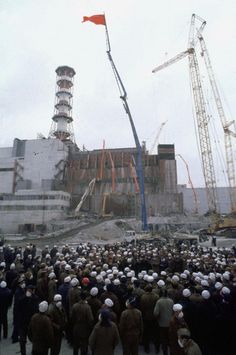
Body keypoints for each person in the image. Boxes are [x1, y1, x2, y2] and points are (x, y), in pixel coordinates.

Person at [18, 284, 39, 355]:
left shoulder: (21, 298)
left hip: (24, 322)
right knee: (30, 338)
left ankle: (25, 352)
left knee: (24, 339)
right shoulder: (34, 298)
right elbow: (36, 310)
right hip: (28, 322)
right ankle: (31, 352)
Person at [154, 288, 174, 355]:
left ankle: (165, 352)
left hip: (161, 323)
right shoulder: (171, 301)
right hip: (170, 323)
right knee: (169, 338)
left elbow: (156, 313)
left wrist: (158, 318)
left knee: (163, 339)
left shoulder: (159, 301)